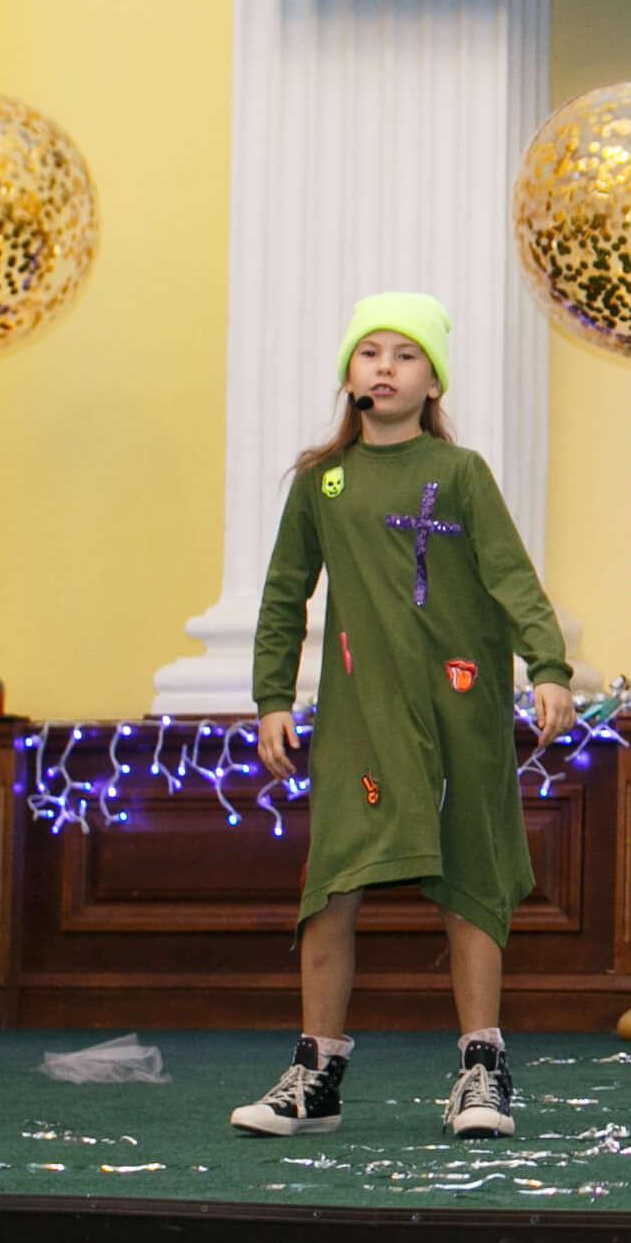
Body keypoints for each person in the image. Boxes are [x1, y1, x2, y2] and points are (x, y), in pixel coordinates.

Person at [229, 294, 573, 1142]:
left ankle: (481, 1071)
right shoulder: (323, 483)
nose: (385, 367)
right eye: (370, 352)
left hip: (459, 713)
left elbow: (512, 577)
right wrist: (272, 698)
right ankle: (315, 1076)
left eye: (406, 354)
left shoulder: (459, 474)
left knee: (469, 883)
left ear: (433, 382)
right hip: (361, 718)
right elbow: (283, 596)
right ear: (349, 374)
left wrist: (548, 667)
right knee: (333, 884)